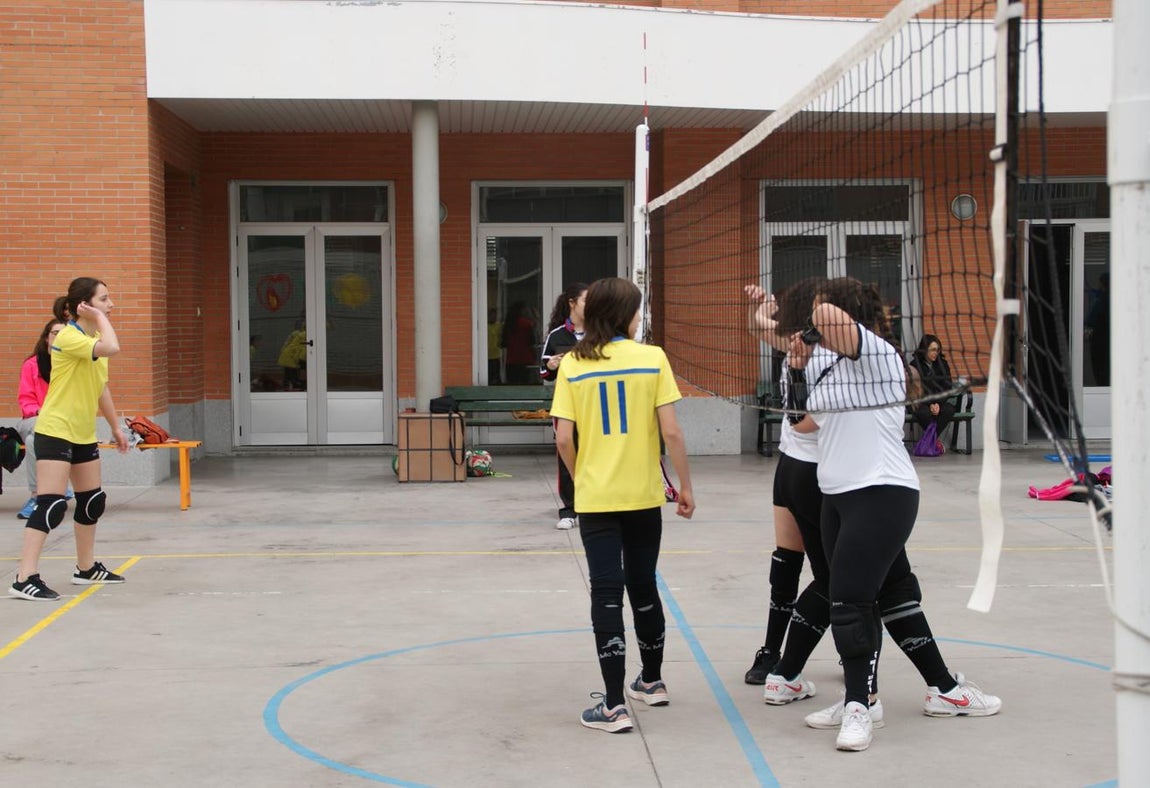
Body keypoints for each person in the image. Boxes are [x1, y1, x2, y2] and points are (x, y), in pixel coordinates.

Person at [791, 277, 999, 751]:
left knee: (849, 598)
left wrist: (814, 321)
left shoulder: (879, 355)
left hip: (882, 492)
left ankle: (859, 707)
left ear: (846, 315)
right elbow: (804, 421)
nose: (816, 320)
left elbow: (823, 320)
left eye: (824, 312)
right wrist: (798, 363)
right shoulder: (831, 366)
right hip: (837, 496)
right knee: (896, 593)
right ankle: (945, 689)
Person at [550, 277, 695, 733]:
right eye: (637, 310)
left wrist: (582, 480)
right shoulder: (653, 359)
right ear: (622, 315)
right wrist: (685, 486)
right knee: (643, 585)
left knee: (607, 593)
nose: (641, 317)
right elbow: (671, 432)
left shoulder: (573, 364)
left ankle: (613, 705)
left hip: (597, 498)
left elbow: (563, 437)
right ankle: (651, 682)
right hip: (643, 496)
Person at [9, 277, 131, 601]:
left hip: (81, 433)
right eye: (104, 300)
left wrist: (116, 428)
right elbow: (113, 346)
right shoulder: (67, 336)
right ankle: (24, 578)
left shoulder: (91, 338)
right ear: (84, 305)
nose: (111, 305)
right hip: (55, 430)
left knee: (92, 501)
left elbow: (100, 386)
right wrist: (99, 316)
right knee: (51, 505)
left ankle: (86, 568)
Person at [741, 279, 828, 686]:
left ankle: (855, 652)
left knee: (837, 571)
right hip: (791, 466)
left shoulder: (833, 353)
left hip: (828, 471)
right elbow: (757, 327)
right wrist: (767, 305)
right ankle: (772, 651)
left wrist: (766, 311)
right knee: (786, 563)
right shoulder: (795, 343)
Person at [540, 282, 588, 531]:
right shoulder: (557, 335)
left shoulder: (599, 333)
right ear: (572, 303)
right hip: (566, 406)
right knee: (566, 454)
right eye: (585, 301)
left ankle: (592, 505)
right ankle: (569, 510)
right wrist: (551, 367)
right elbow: (543, 372)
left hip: (593, 405)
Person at [15, 319, 74, 520]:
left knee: (33, 442)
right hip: (34, 419)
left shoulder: (70, 364)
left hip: (62, 422)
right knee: (37, 432)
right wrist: (41, 412)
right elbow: (25, 400)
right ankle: (52, 489)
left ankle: (37, 495)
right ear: (47, 337)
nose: (58, 337)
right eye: (55, 333)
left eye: (63, 333)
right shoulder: (31, 365)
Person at [909, 333, 955, 448]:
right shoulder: (915, 365)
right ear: (925, 350)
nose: (936, 353)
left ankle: (929, 441)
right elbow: (915, 389)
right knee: (922, 412)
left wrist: (938, 404)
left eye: (937, 350)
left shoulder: (943, 364)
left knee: (949, 410)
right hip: (921, 402)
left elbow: (947, 387)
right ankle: (934, 442)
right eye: (933, 350)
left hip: (939, 402)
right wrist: (930, 404)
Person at [501, 302, 537, 384]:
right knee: (525, 384)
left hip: (511, 359)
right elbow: (532, 342)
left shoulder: (508, 324)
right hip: (525, 358)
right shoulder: (526, 324)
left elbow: (504, 343)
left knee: (512, 384)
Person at [487, 308, 503, 384]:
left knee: (496, 374)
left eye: (495, 316)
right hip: (487, 355)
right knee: (489, 375)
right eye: (491, 315)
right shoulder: (485, 326)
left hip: (496, 354)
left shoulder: (499, 326)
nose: (493, 317)